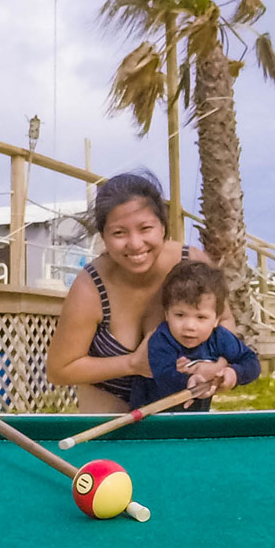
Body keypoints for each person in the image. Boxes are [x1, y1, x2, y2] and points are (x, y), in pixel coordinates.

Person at [46, 170, 234, 412]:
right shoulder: (89, 287)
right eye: (119, 233)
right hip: (110, 418)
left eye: (145, 228)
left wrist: (217, 365)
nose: (135, 244)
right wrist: (132, 364)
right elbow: (59, 370)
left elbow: (225, 319)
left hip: (184, 417)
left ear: (163, 227)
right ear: (103, 236)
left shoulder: (191, 263)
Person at [130, 260, 260, 411]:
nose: (189, 326)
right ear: (167, 314)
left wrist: (234, 373)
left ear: (216, 319)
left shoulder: (219, 338)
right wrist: (190, 380)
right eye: (180, 315)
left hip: (194, 416)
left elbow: (251, 361)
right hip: (152, 417)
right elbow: (165, 378)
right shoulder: (161, 339)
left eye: (201, 317)